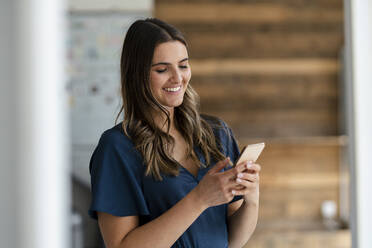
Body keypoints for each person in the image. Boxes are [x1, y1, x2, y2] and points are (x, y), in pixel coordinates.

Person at [88, 18, 261, 248]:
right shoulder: (117, 148)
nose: (178, 78)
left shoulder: (217, 135)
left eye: (183, 65)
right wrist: (199, 199)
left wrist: (252, 200)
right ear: (137, 75)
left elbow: (233, 241)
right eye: (162, 69)